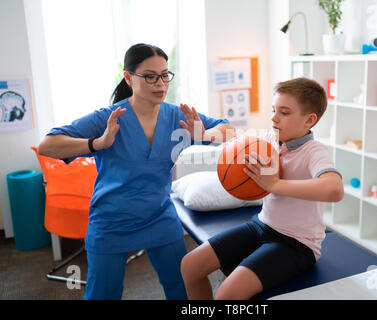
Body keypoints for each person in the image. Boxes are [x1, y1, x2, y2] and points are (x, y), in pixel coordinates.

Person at [38, 43, 235, 300]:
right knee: (103, 294)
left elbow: (230, 131)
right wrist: (97, 144)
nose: (160, 83)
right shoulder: (109, 118)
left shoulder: (178, 116)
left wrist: (204, 134)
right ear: (128, 77)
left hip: (159, 216)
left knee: (183, 287)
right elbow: (47, 145)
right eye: (150, 76)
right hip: (111, 221)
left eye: (165, 75)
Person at [180, 77, 344, 300]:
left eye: (284, 112)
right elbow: (234, 137)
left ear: (309, 119)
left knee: (226, 296)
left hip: (297, 244)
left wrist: (275, 185)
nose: (274, 118)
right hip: (261, 225)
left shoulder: (314, 152)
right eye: (274, 110)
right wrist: (204, 135)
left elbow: (334, 189)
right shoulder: (269, 139)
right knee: (190, 265)